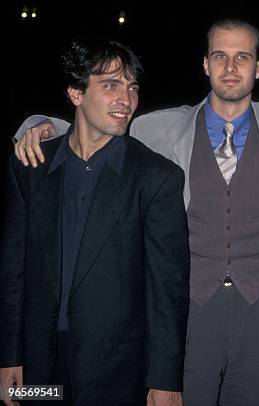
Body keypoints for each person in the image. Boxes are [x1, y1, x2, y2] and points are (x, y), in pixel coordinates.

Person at [11, 19, 259, 405]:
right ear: (204, 64)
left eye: (242, 57)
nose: (230, 66)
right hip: (189, 308)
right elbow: (98, 129)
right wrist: (41, 124)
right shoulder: (158, 128)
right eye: (220, 56)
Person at [0, 39, 190, 405]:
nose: (126, 99)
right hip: (38, 369)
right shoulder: (29, 169)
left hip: (117, 374)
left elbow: (168, 291)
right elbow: (13, 272)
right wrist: (9, 355)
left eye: (132, 87)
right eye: (110, 85)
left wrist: (165, 380)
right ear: (76, 93)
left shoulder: (157, 177)